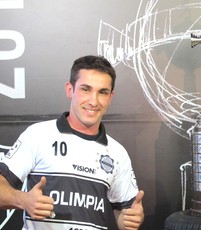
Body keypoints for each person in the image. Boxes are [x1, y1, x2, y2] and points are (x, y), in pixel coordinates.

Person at [0, 55, 144, 229]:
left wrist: (130, 219)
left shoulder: (117, 152)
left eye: (102, 92)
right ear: (70, 90)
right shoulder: (38, 135)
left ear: (110, 97)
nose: (94, 101)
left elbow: (124, 215)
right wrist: (24, 200)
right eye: (86, 89)